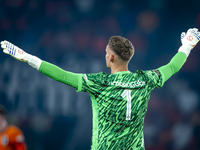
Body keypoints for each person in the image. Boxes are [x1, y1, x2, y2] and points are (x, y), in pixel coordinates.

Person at [1, 28, 200, 150]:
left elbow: (62, 75)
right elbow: (172, 67)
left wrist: (27, 57)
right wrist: (187, 46)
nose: (105, 55)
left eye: (106, 53)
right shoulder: (146, 79)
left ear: (112, 57)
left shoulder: (99, 83)